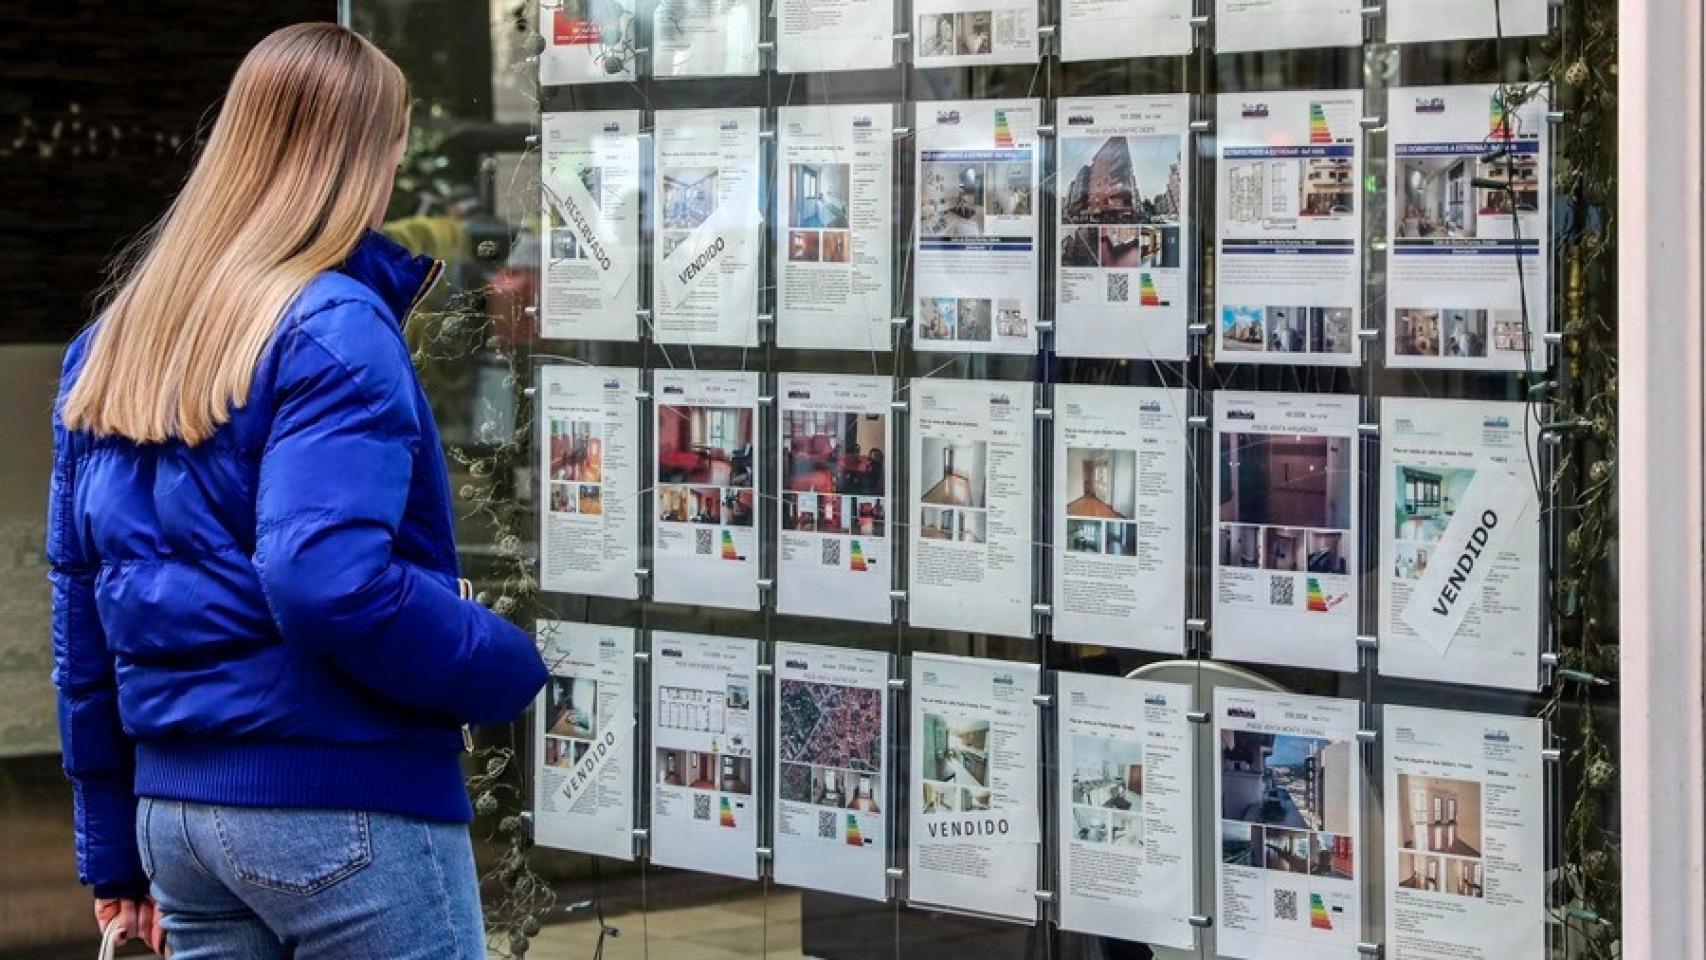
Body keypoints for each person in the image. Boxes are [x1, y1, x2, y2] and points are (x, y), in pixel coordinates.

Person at [46, 23, 547, 959]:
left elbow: (83, 625)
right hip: (342, 804)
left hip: (178, 824)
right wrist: (501, 664)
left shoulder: (118, 341)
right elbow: (325, 580)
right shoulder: (333, 323)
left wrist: (116, 858)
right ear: (364, 157)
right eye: (394, 148)